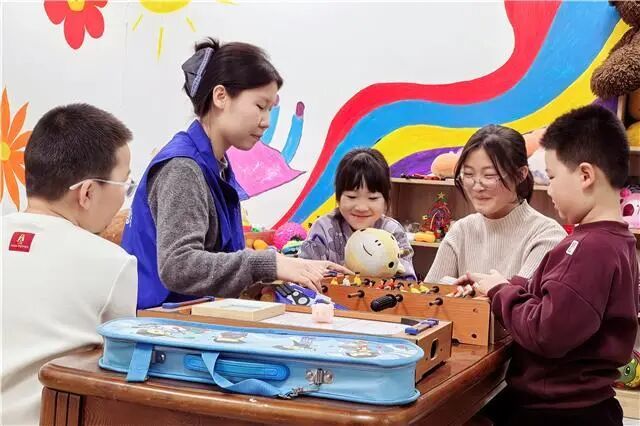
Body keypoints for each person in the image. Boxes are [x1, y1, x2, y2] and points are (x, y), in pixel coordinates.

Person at [122, 37, 350, 309]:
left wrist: (279, 268)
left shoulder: (215, 165)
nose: (266, 122)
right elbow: (179, 266)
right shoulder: (183, 168)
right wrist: (267, 264)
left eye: (270, 110)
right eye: (260, 106)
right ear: (220, 96)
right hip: (160, 325)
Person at [460, 105, 639, 426]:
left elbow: (546, 332)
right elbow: (563, 301)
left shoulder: (587, 248)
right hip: (583, 405)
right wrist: (506, 285)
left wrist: (501, 292)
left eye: (553, 177)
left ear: (585, 175)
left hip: (555, 412)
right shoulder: (618, 241)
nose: (549, 188)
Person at [2, 104, 138, 425]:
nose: (125, 197)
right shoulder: (112, 263)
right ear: (87, 192)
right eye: (125, 185)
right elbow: (123, 371)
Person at [425, 125, 566, 283]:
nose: (477, 187)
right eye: (469, 174)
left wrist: (465, 290)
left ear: (520, 174)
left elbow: (522, 296)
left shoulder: (547, 236)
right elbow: (426, 293)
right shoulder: (461, 230)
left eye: (489, 175)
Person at [299, 148, 416, 280]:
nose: (361, 207)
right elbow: (305, 276)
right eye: (352, 197)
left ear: (385, 200)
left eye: (372, 198)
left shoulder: (393, 231)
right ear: (338, 198)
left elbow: (407, 282)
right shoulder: (323, 228)